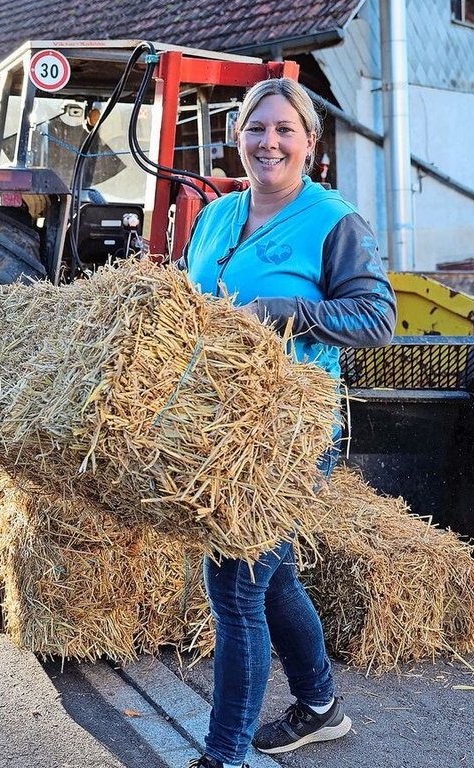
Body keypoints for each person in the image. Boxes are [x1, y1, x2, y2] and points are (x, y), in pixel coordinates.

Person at [176, 77, 396, 768]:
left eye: (283, 129)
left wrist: (287, 312)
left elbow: (377, 317)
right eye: (255, 128)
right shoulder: (216, 217)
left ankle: (224, 756)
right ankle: (322, 706)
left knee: (236, 584)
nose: (268, 141)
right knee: (272, 580)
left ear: (310, 142)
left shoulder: (332, 221)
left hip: (294, 437)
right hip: (222, 429)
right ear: (236, 137)